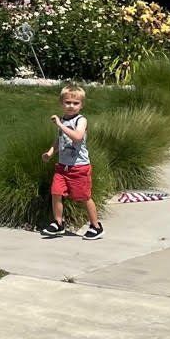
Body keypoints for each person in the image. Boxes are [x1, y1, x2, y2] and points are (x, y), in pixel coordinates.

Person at [41, 84, 103, 239]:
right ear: (61, 103)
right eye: (67, 102)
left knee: (84, 197)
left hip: (79, 168)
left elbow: (77, 137)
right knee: (56, 192)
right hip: (63, 167)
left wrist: (60, 125)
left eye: (75, 103)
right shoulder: (63, 120)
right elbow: (60, 139)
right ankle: (58, 223)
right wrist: (50, 152)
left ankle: (96, 226)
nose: (71, 106)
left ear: (82, 105)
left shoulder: (81, 120)